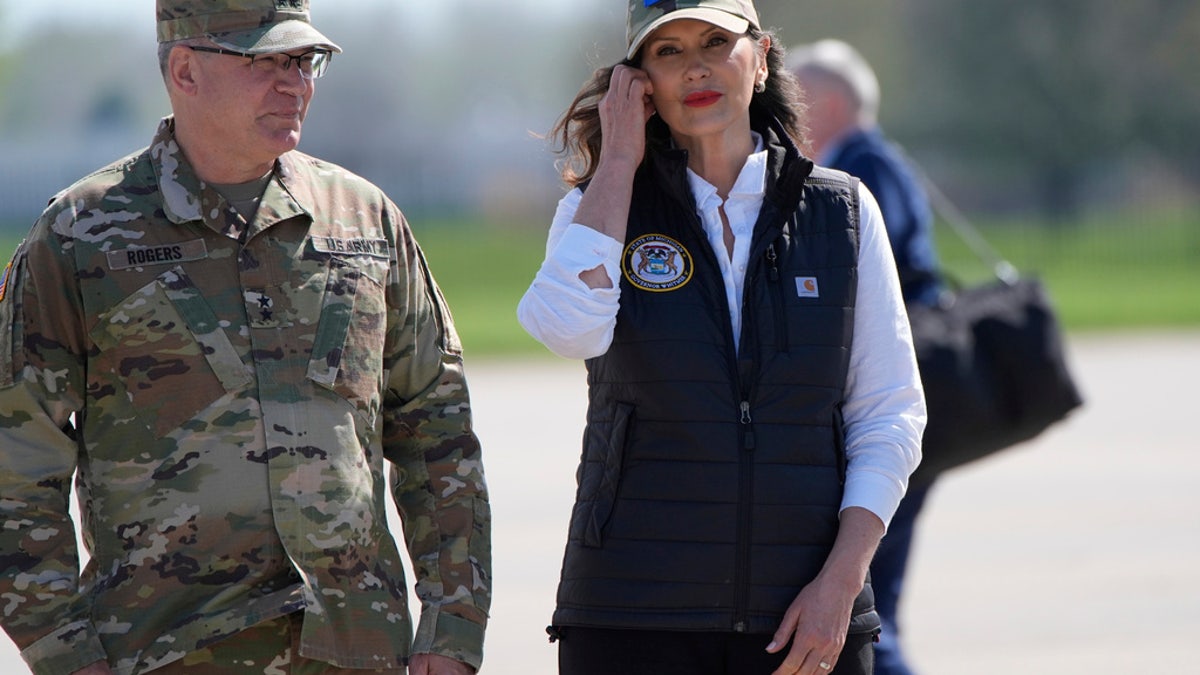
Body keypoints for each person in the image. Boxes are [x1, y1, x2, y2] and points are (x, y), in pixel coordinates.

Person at [0, 2, 490, 674]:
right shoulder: (79, 236)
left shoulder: (365, 222)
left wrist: (451, 627)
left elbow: (438, 430)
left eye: (303, 61)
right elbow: (17, 461)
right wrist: (62, 650)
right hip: (166, 651)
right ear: (185, 70)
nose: (295, 83)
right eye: (266, 61)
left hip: (354, 650)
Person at [517, 2, 925, 674]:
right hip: (629, 614)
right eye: (667, 51)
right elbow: (567, 327)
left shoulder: (843, 211)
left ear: (761, 58)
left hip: (803, 620)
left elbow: (889, 413)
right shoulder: (600, 208)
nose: (696, 66)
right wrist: (619, 157)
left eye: (714, 41)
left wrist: (841, 585)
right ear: (638, 81)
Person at [787, 39, 943, 675]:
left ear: (824, 102)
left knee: (868, 602)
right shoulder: (870, 161)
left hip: (888, 404)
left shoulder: (862, 174)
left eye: (792, 94)